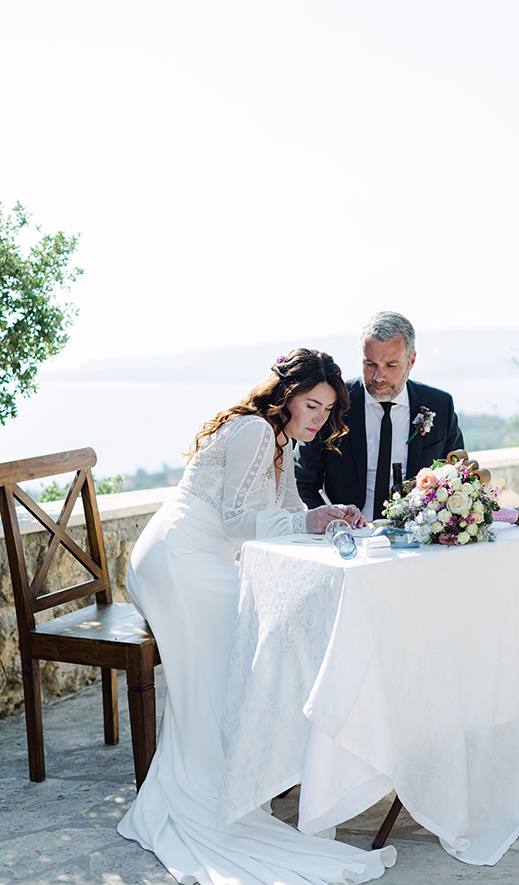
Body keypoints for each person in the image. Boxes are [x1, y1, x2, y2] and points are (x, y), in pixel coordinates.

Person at [117, 348, 395, 885]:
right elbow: (239, 523)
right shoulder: (254, 432)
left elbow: (290, 510)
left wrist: (327, 515)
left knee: (271, 634)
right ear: (286, 396)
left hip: (203, 559)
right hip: (179, 560)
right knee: (254, 644)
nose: (317, 417)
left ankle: (265, 769)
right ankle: (229, 780)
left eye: (326, 409)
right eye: (310, 404)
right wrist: (306, 522)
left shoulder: (282, 441)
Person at [294, 311, 464, 522]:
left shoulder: (439, 405)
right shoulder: (334, 403)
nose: (378, 376)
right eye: (370, 363)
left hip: (417, 538)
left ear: (411, 360)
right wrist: (330, 523)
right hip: (347, 537)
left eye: (391, 365)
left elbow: (457, 476)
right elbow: (302, 479)